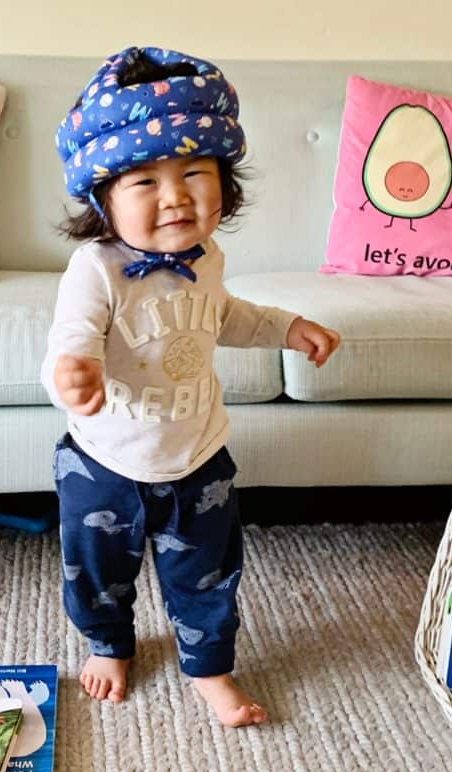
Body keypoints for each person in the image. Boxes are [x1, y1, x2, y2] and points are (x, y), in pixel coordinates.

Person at [42, 45, 340, 727]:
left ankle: (211, 668)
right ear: (102, 197)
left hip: (198, 455)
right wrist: (73, 371)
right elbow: (72, 336)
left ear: (224, 185)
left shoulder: (206, 259)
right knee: (96, 569)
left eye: (194, 173)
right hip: (104, 463)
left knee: (209, 573)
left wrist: (287, 327)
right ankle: (109, 644)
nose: (175, 195)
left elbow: (224, 315)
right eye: (145, 181)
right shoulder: (95, 269)